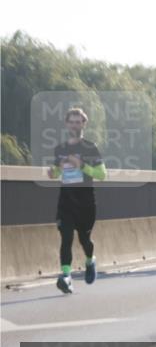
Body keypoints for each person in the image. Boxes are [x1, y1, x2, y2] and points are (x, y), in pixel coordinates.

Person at [49, 107, 107, 293]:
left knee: (84, 240)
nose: (75, 125)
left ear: (84, 124)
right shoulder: (60, 149)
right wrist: (53, 172)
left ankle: (90, 260)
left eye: (78, 121)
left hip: (86, 203)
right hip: (65, 202)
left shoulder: (91, 148)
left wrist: (81, 165)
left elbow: (102, 175)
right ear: (66, 124)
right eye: (71, 121)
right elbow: (56, 170)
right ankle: (66, 277)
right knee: (66, 238)